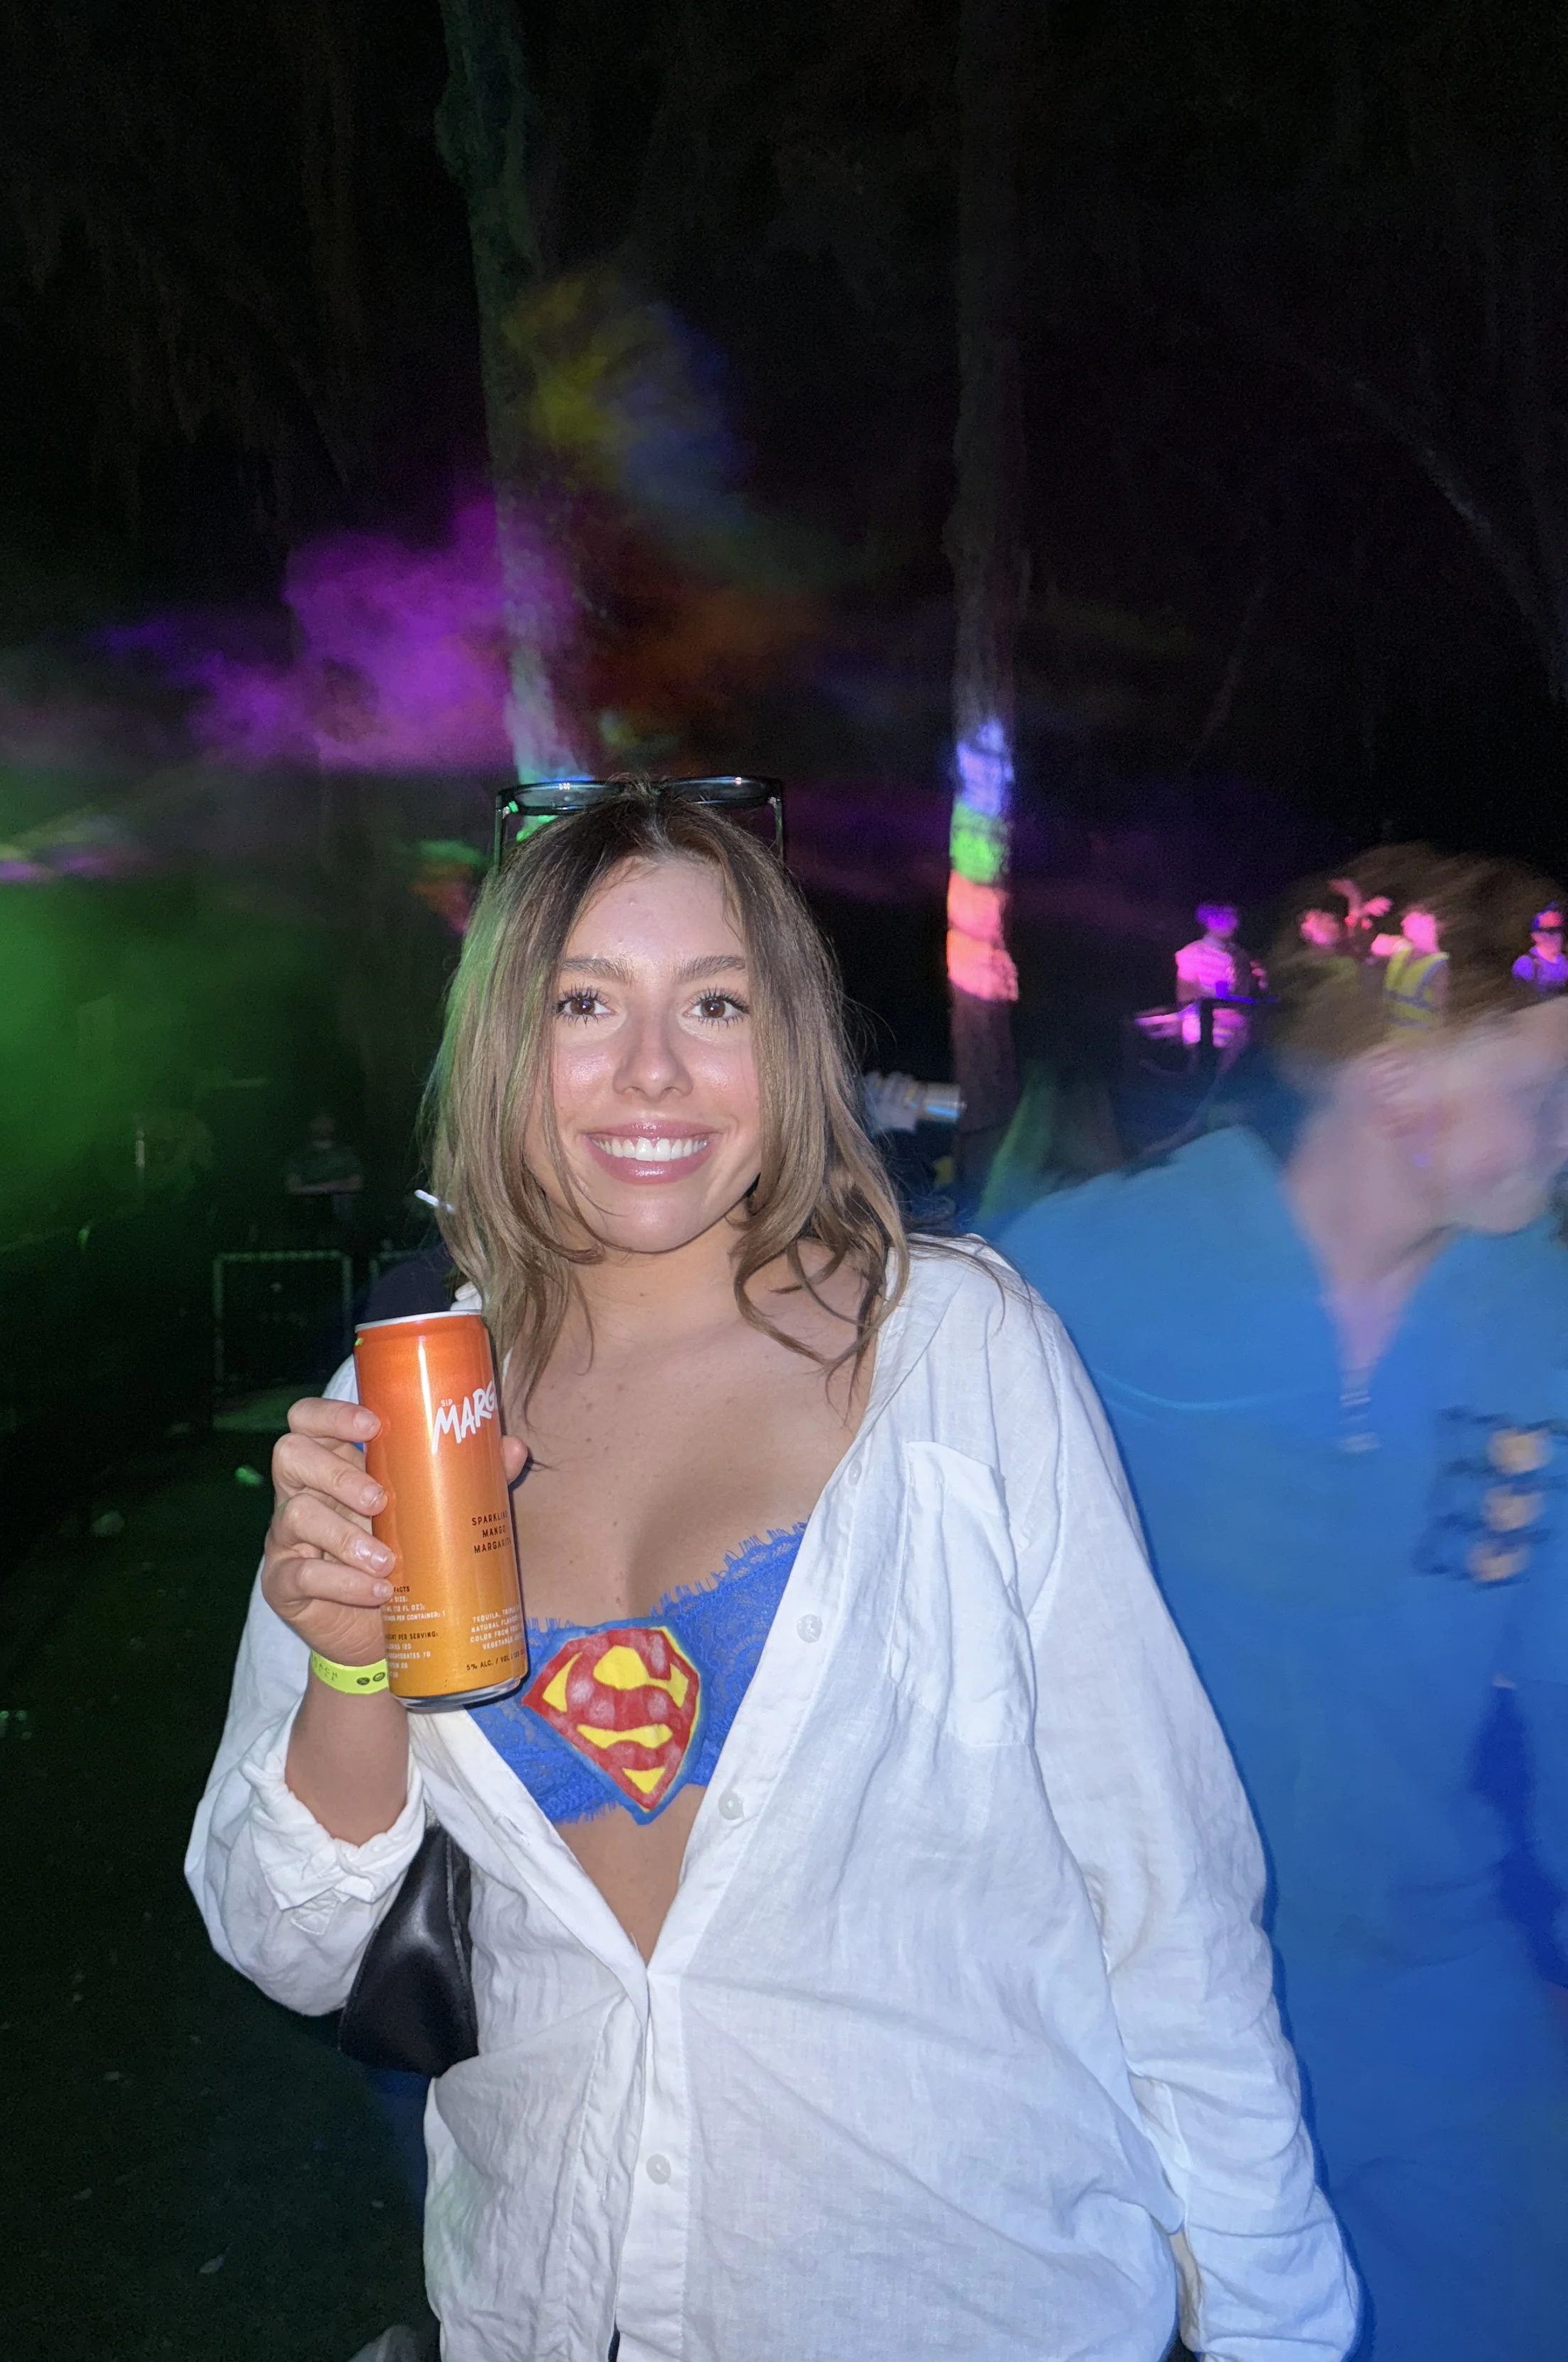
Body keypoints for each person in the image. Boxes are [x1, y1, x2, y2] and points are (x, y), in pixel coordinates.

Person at [188, 787, 1353, 2362]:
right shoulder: (404, 1404)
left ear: (786, 1045)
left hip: (968, 2300)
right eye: (580, 1004)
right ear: (498, 1053)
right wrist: (345, 1658)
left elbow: (1163, 1887)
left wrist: (1273, 2315)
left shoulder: (954, 1353)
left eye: (713, 1003)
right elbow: (292, 1941)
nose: (650, 1070)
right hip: (554, 2304)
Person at [1003, 848, 1568, 2362]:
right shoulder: (1071, 1281)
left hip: (1438, 1985)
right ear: (1396, 1090)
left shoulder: (1539, 1314)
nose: (1563, 1135)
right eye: (1535, 1089)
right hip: (1133, 1992)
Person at [1175, 902, 1260, 1053]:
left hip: (1237, 1025)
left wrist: (1260, 981)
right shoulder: (1193, 952)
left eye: (1233, 918)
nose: (1233, 924)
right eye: (1225, 918)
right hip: (1201, 1024)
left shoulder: (1239, 955)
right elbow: (1185, 996)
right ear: (1210, 921)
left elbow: (1246, 991)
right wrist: (1219, 1009)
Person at [1515, 905, 1568, 996]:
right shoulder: (1526, 964)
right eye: (1551, 931)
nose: (1558, 936)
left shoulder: (1565, 961)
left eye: (1561, 930)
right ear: (1535, 936)